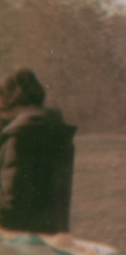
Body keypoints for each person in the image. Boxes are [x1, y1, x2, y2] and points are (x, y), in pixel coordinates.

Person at [0, 67, 76, 234]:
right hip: (54, 236)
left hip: (19, 241)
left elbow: (12, 202)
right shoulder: (56, 131)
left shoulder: (19, 136)